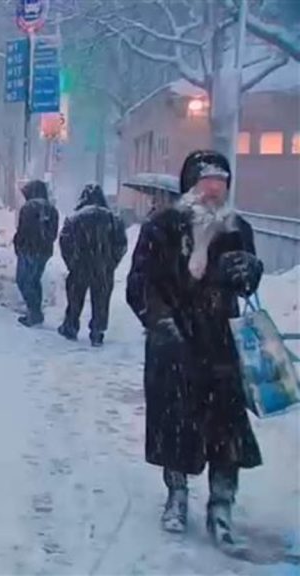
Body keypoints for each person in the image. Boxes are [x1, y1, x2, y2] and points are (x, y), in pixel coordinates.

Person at [126, 150, 264, 554]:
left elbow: (248, 284)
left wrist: (247, 271)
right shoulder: (163, 226)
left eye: (221, 182)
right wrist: (161, 322)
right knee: (176, 424)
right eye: (207, 181)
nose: (214, 189)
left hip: (221, 345)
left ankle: (222, 506)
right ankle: (177, 494)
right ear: (190, 185)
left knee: (226, 429)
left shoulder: (237, 228)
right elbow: (141, 282)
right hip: (175, 343)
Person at [57, 184, 128, 347]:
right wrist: (111, 263)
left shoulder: (75, 218)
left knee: (75, 298)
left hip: (80, 267)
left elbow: (65, 242)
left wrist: (72, 262)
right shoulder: (113, 219)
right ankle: (97, 331)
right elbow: (121, 245)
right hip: (103, 268)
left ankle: (71, 326)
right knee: (101, 300)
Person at [12, 179, 59, 326]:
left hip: (28, 249)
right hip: (44, 251)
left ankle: (34, 312)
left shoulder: (28, 208)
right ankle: (35, 312)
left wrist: (18, 245)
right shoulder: (52, 209)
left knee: (23, 281)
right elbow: (53, 233)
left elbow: (23, 231)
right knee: (34, 280)